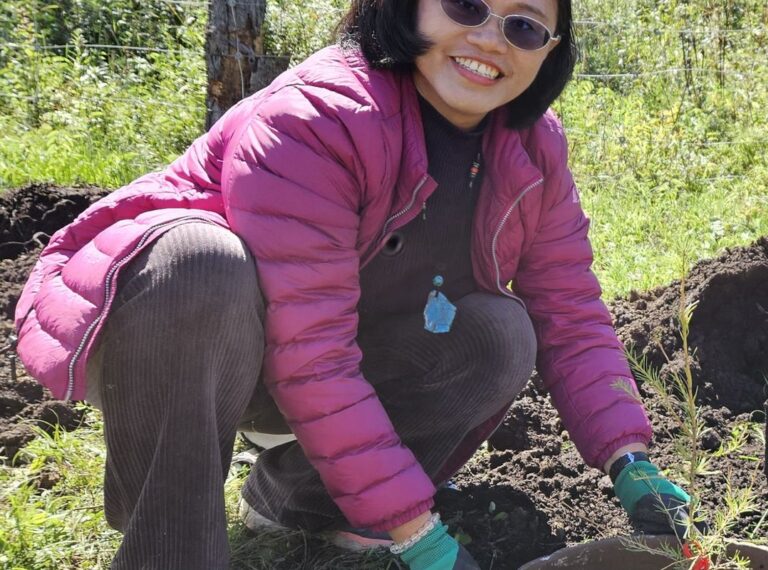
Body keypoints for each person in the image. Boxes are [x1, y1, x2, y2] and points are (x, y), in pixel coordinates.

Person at [14, 0, 695, 568]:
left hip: (324, 344)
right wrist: (417, 533)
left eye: (523, 26)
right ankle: (171, 546)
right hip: (176, 334)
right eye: (466, 5)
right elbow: (310, 349)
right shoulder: (319, 117)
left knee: (498, 334)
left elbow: (570, 313)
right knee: (202, 263)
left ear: (550, 51)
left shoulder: (532, 147)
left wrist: (628, 458)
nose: (489, 38)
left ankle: (301, 506)